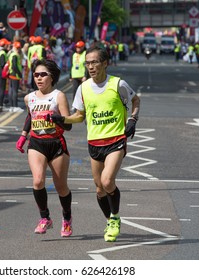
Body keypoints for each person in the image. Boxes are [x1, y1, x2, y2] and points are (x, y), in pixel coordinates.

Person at [48, 46, 140, 242]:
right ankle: (109, 220)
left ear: (105, 63)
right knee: (99, 188)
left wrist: (133, 119)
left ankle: (115, 218)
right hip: (94, 142)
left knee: (107, 181)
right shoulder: (83, 88)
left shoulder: (118, 84)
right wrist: (62, 120)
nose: (90, 66)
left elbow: (136, 100)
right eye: (87, 63)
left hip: (115, 139)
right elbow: (79, 117)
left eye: (94, 62)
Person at [15, 59, 73, 237]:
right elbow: (30, 117)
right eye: (36, 75)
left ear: (52, 77)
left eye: (43, 75)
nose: (39, 78)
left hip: (56, 144)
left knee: (61, 187)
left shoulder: (58, 96)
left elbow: (68, 125)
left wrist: (57, 118)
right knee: (38, 181)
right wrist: (23, 136)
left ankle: (67, 218)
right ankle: (45, 218)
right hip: (37, 143)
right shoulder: (29, 97)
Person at [0, 38, 11, 108]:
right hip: (1, 73)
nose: (8, 46)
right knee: (2, 89)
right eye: (7, 45)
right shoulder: (2, 53)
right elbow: (2, 64)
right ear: (4, 45)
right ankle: (0, 104)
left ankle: (0, 103)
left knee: (1, 88)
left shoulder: (0, 52)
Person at [70, 41, 87, 108]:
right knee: (75, 91)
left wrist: (85, 75)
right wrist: (70, 76)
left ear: (83, 47)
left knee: (83, 91)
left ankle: (84, 105)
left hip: (82, 76)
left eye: (79, 47)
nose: (78, 49)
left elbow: (86, 65)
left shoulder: (85, 54)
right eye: (77, 47)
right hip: (75, 75)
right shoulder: (74, 55)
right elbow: (72, 65)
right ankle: (75, 105)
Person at [8, 41, 23, 112]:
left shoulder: (12, 54)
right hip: (15, 75)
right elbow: (14, 66)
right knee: (14, 91)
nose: (18, 49)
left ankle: (11, 106)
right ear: (14, 47)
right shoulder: (15, 55)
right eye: (17, 48)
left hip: (12, 74)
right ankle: (15, 106)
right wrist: (19, 73)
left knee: (11, 90)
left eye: (19, 48)